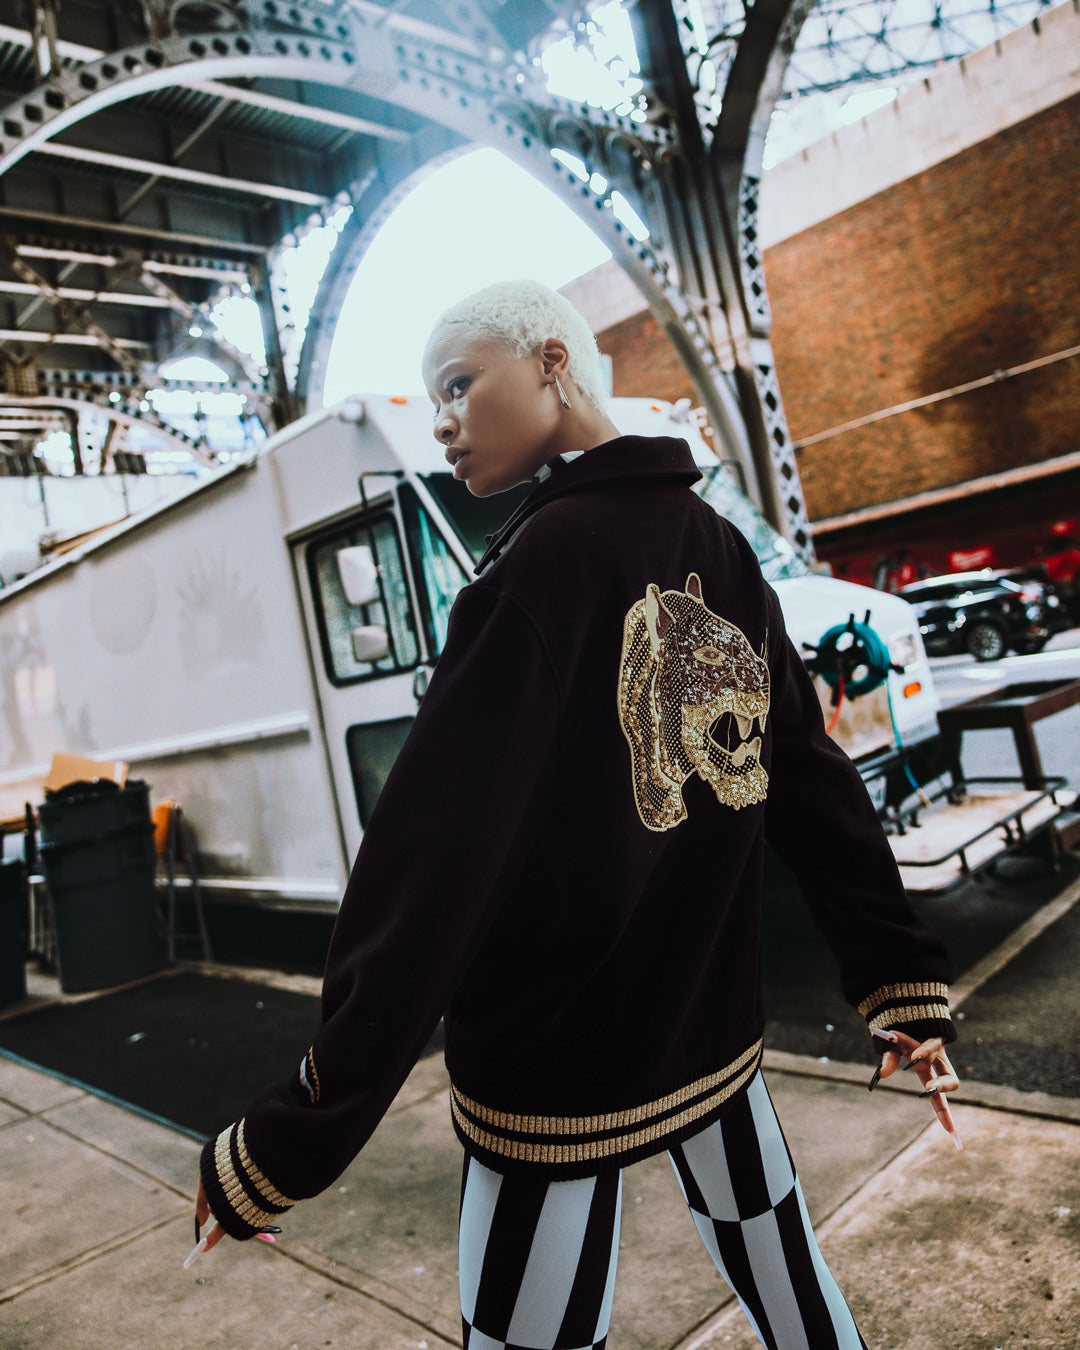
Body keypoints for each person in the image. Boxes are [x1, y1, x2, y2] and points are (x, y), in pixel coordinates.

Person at [192, 279, 959, 1349]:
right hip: (713, 1032)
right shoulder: (720, 544)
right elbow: (811, 779)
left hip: (552, 1071)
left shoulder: (536, 571)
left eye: (459, 384)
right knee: (789, 1281)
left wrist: (291, 1134)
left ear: (552, 361)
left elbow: (429, 863)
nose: (445, 420)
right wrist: (901, 982)